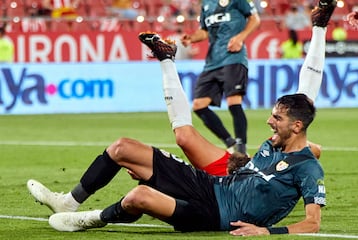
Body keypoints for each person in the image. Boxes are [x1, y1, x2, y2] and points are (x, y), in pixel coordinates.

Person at [27, 0, 336, 235]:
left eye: (277, 118)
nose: (269, 122)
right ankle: (70, 201)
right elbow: (303, 100)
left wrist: (266, 231)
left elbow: (313, 222)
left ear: (297, 126)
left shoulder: (307, 166)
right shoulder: (277, 144)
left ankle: (91, 219)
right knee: (122, 147)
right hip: (217, 183)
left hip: (217, 213)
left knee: (140, 195)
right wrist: (319, 28)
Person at [180, 0, 261, 154]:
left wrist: (240, 37)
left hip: (233, 58)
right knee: (199, 105)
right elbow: (204, 31)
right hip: (212, 62)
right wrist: (191, 38)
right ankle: (229, 142)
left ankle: (241, 149)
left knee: (233, 102)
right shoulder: (206, 4)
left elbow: (255, 19)